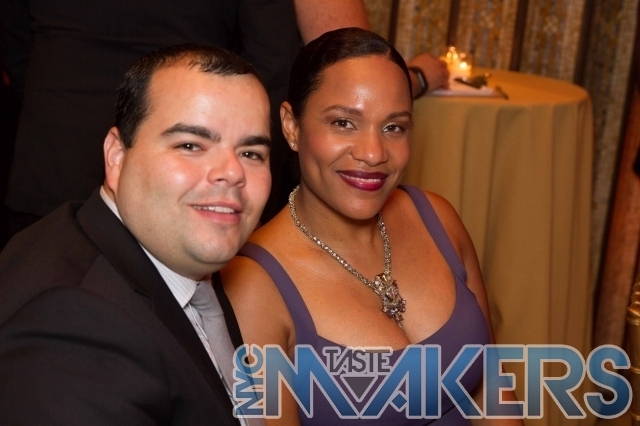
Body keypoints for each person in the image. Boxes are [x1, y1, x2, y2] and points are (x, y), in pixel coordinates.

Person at [222, 28, 520, 424]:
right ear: (292, 126)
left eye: (394, 127)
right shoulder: (253, 286)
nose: (374, 153)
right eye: (344, 123)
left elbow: (492, 393)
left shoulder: (438, 219)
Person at [0, 44, 271, 425]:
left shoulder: (175, 249)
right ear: (116, 156)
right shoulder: (77, 329)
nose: (232, 172)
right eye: (190, 145)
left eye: (252, 153)